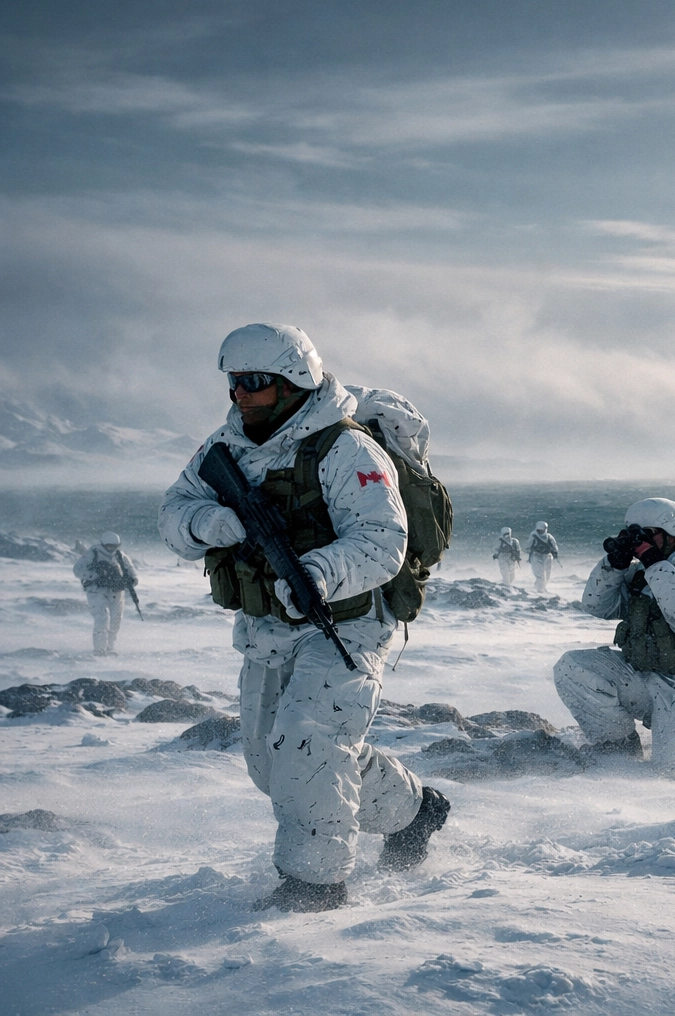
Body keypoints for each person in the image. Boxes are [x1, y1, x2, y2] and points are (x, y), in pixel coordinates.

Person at [159, 322, 450, 912]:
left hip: (344, 622)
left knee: (309, 742)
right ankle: (414, 811)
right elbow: (173, 509)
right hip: (266, 627)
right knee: (274, 766)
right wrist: (206, 524)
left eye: (256, 382)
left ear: (292, 383)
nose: (241, 394)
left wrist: (319, 573)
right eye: (235, 382)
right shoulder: (227, 446)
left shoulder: (346, 448)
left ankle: (315, 887)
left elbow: (382, 540)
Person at [553, 497, 675, 777]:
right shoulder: (646, 573)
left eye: (646, 535)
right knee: (572, 668)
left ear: (670, 534)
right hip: (648, 676)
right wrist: (614, 565)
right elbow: (596, 606)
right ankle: (618, 747)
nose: (639, 545)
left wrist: (655, 564)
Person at [73, 532, 137, 655]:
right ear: (103, 544)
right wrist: (95, 576)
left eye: (114, 546)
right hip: (96, 590)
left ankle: (110, 647)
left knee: (116, 620)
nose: (111, 549)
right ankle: (99, 649)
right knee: (101, 619)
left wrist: (132, 580)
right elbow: (78, 570)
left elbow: (131, 570)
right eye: (109, 546)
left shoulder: (120, 555)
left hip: (116, 591)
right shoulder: (92, 553)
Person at [528, 520, 558, 592]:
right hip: (536, 556)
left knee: (547, 575)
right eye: (539, 530)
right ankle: (540, 590)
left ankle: (541, 586)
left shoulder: (549, 537)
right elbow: (527, 547)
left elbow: (554, 546)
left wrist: (555, 553)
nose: (540, 532)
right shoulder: (533, 536)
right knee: (540, 574)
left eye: (542, 530)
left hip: (547, 556)